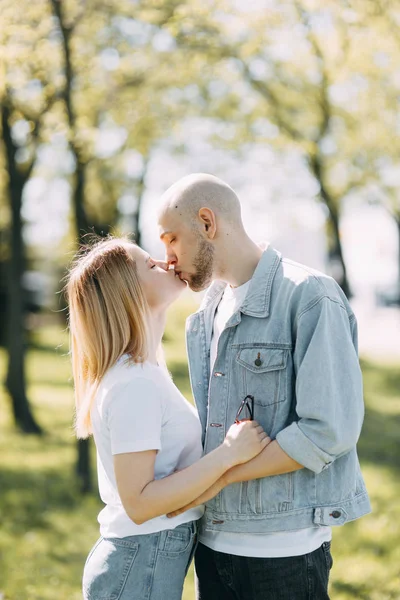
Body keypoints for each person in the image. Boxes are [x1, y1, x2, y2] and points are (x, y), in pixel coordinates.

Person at [158, 173, 372, 600]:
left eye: (172, 240)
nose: (167, 258)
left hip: (284, 555)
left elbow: (326, 430)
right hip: (211, 547)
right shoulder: (202, 318)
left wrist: (217, 477)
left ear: (207, 222)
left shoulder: (309, 296)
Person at [65, 236, 270, 600]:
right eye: (150, 264)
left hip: (144, 563)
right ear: (126, 292)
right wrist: (228, 454)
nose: (166, 263)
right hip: (137, 567)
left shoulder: (146, 371)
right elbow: (140, 503)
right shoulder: (134, 383)